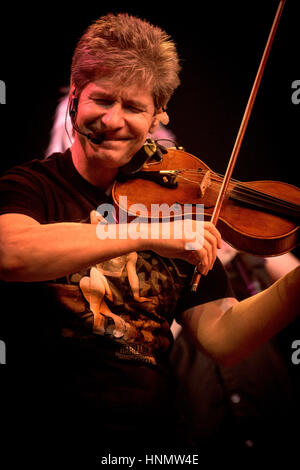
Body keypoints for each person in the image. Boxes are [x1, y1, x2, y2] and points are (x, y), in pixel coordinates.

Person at [0, 13, 299, 463]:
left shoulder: (177, 204)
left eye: (134, 107)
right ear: (76, 96)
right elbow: (12, 253)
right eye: (101, 100)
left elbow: (222, 338)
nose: (113, 121)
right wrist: (149, 234)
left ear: (159, 113)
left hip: (156, 444)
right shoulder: (30, 187)